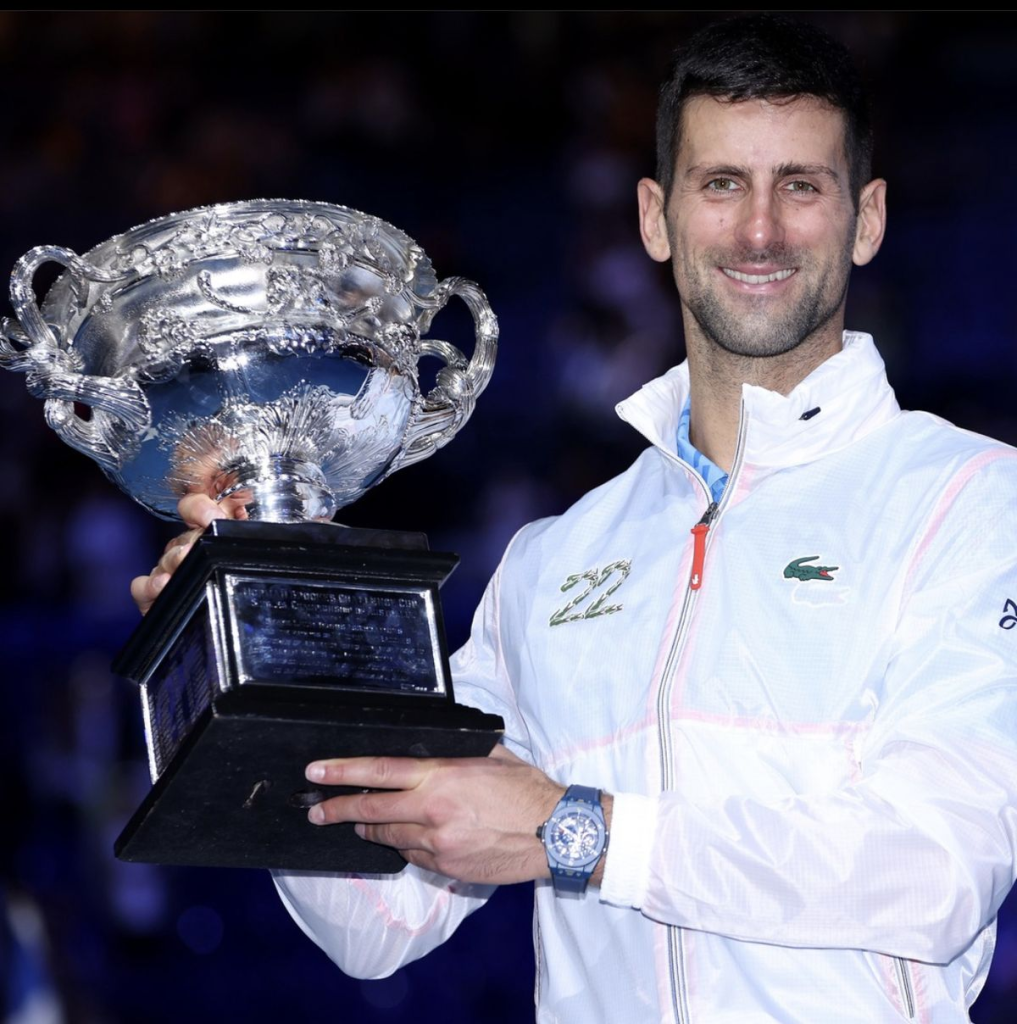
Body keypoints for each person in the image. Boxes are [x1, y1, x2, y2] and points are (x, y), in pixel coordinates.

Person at [132, 15, 1017, 1022]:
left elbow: (936, 873)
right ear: (655, 217)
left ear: (867, 218)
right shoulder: (551, 563)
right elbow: (376, 922)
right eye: (721, 184)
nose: (759, 230)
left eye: (801, 186)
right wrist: (270, 633)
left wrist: (579, 833)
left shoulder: (970, 499)